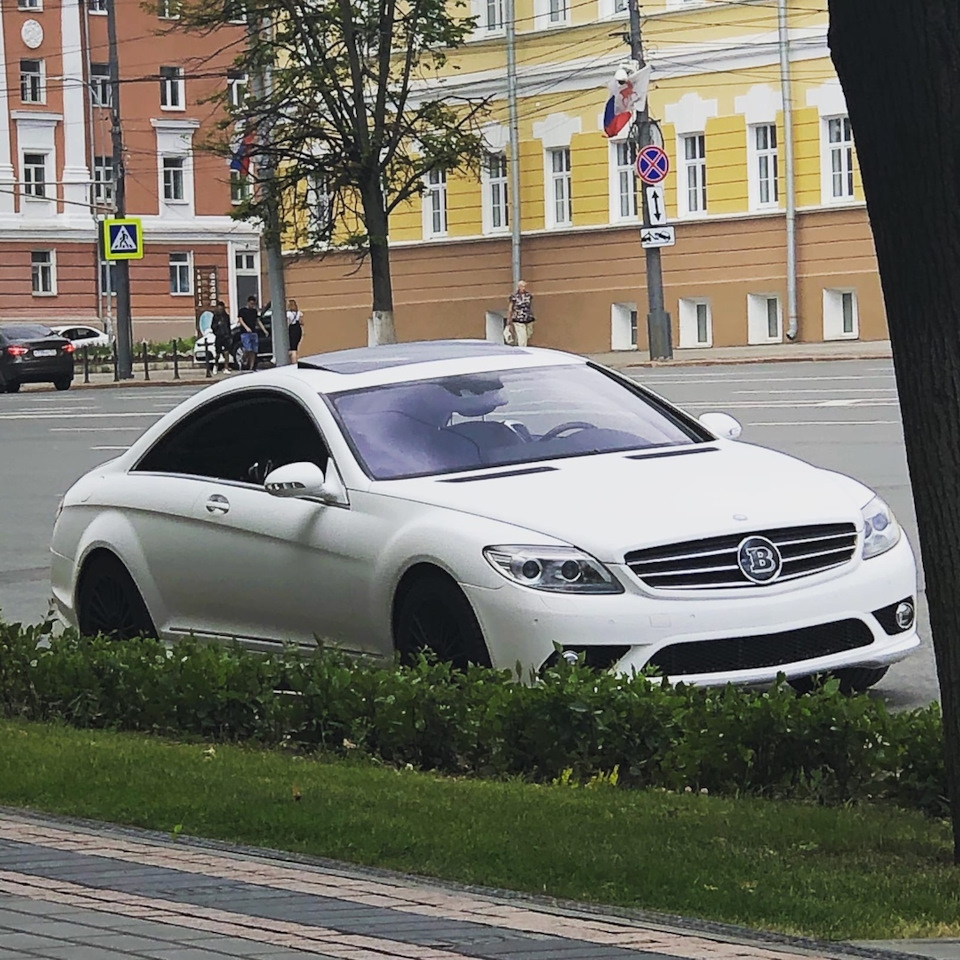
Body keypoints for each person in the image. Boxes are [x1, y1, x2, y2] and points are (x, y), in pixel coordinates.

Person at [237, 295, 267, 371]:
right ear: (248, 303)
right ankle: (243, 358)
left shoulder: (254, 311)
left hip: (254, 332)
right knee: (248, 349)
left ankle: (252, 367)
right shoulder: (242, 311)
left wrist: (264, 330)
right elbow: (240, 320)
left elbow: (258, 321)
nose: (252, 305)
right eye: (251, 304)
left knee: (254, 350)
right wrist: (246, 327)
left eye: (253, 304)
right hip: (245, 333)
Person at [506, 280, 534, 347]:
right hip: (518, 318)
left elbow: (530, 306)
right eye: (522, 286)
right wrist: (509, 319)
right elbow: (510, 308)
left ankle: (519, 343)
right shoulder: (514, 296)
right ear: (519, 287)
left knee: (528, 334)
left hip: (528, 318)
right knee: (522, 336)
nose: (523, 288)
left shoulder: (528, 295)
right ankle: (522, 347)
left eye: (524, 286)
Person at [210, 300, 232, 372]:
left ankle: (226, 367)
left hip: (226, 336)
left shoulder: (226, 316)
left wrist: (229, 335)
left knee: (226, 352)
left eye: (222, 309)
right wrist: (217, 325)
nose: (221, 310)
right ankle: (216, 365)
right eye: (219, 309)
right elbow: (212, 327)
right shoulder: (215, 317)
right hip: (219, 336)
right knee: (218, 353)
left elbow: (228, 326)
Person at [286, 298, 303, 364]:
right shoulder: (299, 313)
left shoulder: (288, 314)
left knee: (292, 348)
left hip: (292, 329)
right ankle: (296, 360)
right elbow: (302, 322)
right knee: (296, 347)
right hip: (298, 329)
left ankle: (293, 363)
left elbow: (288, 323)